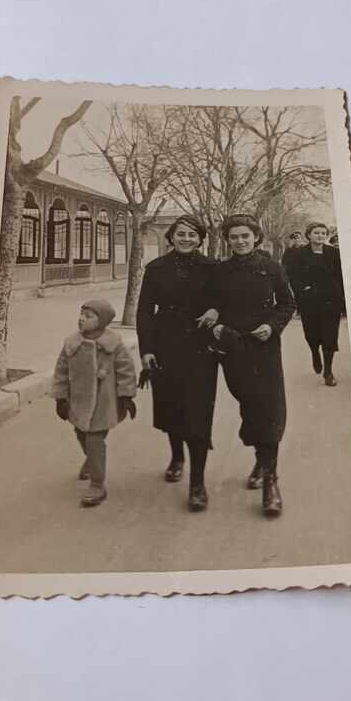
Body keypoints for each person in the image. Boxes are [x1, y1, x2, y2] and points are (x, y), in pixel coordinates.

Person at [211, 214, 295, 517]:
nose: (240, 241)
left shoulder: (271, 267)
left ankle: (271, 480)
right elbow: (211, 304)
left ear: (255, 237)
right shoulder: (220, 270)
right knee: (249, 403)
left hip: (264, 347)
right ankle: (261, 457)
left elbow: (287, 304)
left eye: (245, 236)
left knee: (269, 407)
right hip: (233, 346)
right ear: (227, 240)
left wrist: (273, 326)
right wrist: (216, 326)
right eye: (234, 237)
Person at [136, 215, 219, 511]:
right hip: (165, 345)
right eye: (181, 234)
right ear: (171, 237)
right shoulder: (156, 269)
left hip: (200, 348)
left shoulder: (213, 268)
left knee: (198, 413)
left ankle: (197, 483)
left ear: (200, 238)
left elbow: (227, 299)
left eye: (192, 235)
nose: (186, 238)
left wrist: (215, 309)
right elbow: (145, 311)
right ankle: (177, 457)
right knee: (171, 407)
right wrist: (146, 350)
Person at [51, 298, 137, 506]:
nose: (81, 319)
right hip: (79, 401)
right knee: (81, 433)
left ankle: (97, 484)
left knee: (94, 440)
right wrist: (61, 398)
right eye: (81, 314)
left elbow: (126, 370)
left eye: (88, 316)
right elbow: (61, 371)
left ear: (103, 321)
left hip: (104, 402)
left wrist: (126, 397)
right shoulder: (72, 343)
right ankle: (91, 460)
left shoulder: (113, 344)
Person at [284, 221, 345, 386]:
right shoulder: (299, 254)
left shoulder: (334, 253)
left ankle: (328, 371)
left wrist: (342, 299)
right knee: (312, 333)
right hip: (309, 300)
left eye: (323, 233)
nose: (320, 236)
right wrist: (302, 290)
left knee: (330, 335)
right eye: (316, 233)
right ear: (309, 235)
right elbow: (292, 275)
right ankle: (314, 352)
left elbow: (341, 276)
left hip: (331, 300)